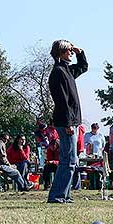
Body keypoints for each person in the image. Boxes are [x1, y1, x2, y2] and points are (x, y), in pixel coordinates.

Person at [47, 39, 88, 204]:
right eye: (69, 50)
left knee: (71, 160)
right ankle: (57, 195)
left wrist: (81, 53)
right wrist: (69, 123)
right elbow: (62, 100)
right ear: (61, 52)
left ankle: (64, 194)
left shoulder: (67, 70)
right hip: (66, 122)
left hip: (71, 121)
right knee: (68, 160)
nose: (71, 52)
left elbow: (83, 67)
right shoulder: (58, 72)